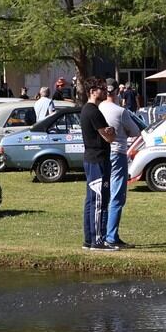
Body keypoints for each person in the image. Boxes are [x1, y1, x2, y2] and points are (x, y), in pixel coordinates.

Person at [98, 82, 144, 250]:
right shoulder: (120, 111)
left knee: (102, 195)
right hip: (118, 153)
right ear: (117, 92)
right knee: (117, 195)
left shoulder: (99, 108)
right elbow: (135, 131)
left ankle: (101, 234)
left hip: (102, 154)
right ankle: (111, 236)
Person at [77, 80, 114, 250]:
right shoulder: (93, 111)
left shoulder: (88, 109)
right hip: (97, 159)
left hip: (92, 159)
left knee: (91, 200)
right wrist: (111, 131)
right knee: (99, 201)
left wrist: (109, 131)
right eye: (102, 89)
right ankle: (97, 241)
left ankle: (88, 240)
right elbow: (108, 137)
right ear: (93, 91)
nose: (106, 91)